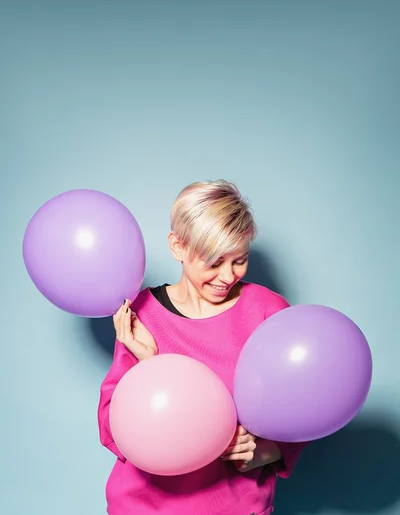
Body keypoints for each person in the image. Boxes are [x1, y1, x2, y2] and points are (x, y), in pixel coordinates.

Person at [98, 179, 308, 515]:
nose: (228, 276)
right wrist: (149, 363)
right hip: (145, 505)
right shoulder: (142, 312)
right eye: (213, 262)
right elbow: (112, 428)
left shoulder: (268, 313)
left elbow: (305, 410)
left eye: (239, 260)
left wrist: (262, 453)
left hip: (235, 506)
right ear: (177, 246)